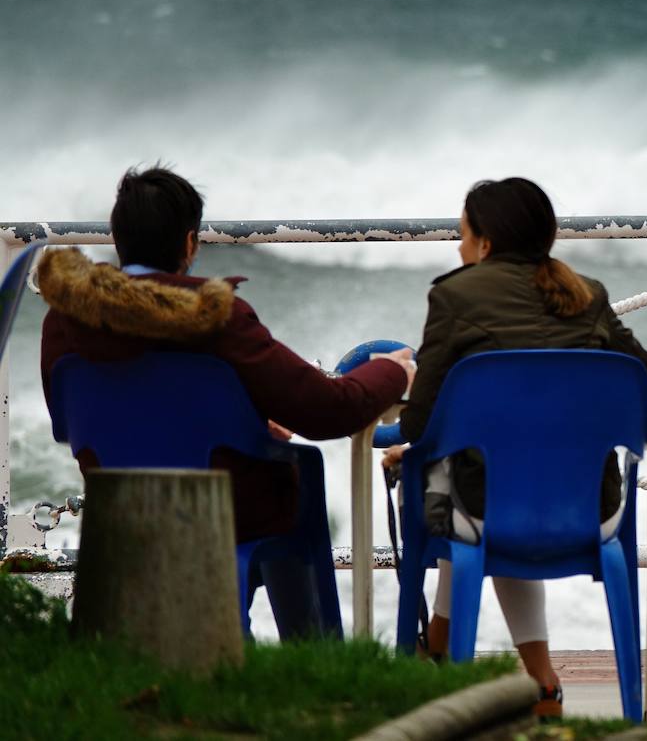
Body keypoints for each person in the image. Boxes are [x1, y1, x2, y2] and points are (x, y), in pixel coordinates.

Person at [38, 165, 415, 637]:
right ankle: (312, 652)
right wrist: (392, 370)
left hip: (122, 508)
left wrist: (243, 423)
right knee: (293, 472)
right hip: (222, 508)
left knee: (264, 460)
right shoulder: (216, 315)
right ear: (190, 243)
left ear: (118, 238)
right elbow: (329, 413)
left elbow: (68, 425)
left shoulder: (63, 321)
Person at [387, 177, 647, 719]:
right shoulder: (588, 294)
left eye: (463, 235)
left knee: (466, 481)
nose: (459, 247)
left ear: (486, 243)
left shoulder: (454, 295)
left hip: (487, 506)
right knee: (492, 473)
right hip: (592, 508)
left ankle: (437, 649)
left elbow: (419, 423)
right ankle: (533, 681)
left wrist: (411, 438)